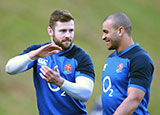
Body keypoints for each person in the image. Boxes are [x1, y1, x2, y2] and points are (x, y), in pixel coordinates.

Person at [5, 9, 95, 115]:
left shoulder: (81, 58)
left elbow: (85, 93)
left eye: (71, 30)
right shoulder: (39, 52)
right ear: (50, 31)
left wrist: (59, 82)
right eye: (63, 31)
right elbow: (10, 69)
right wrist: (34, 55)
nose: (68, 35)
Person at [101, 13, 154, 115]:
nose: (103, 37)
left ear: (120, 31)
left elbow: (133, 100)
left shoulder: (140, 59)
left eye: (106, 32)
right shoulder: (111, 58)